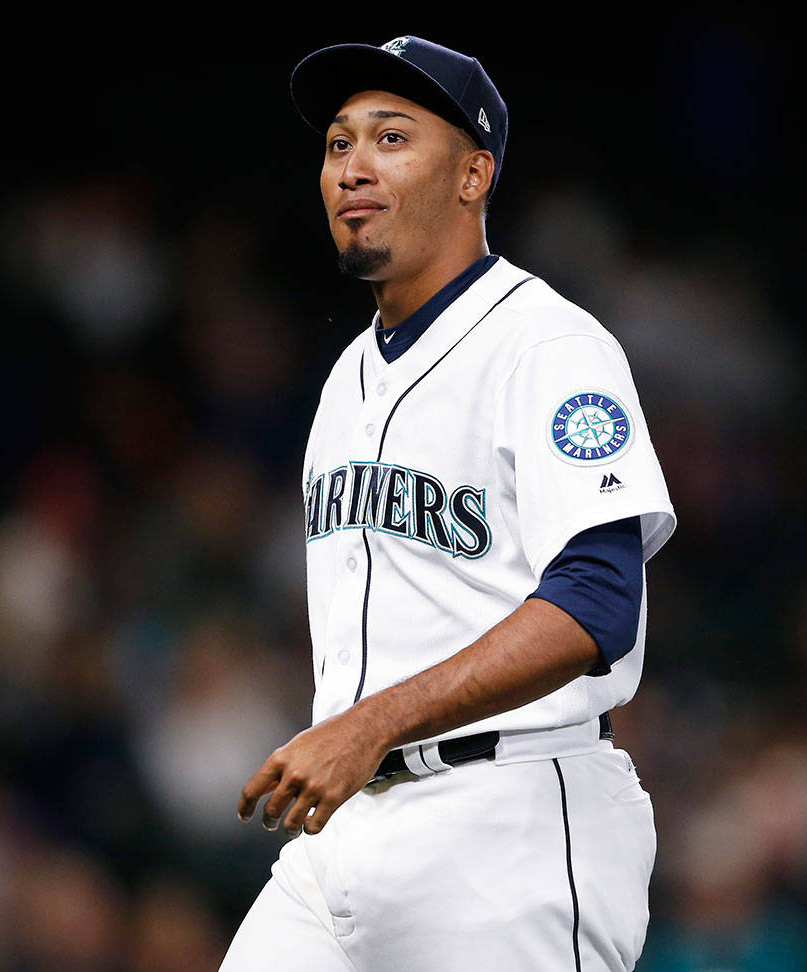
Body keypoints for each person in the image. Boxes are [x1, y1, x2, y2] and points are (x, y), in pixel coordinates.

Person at [220, 35, 676, 971]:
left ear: (474, 174)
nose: (353, 167)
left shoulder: (549, 346)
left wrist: (369, 723)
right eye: (339, 144)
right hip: (342, 832)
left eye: (391, 138)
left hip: (508, 823)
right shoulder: (348, 374)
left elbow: (597, 605)